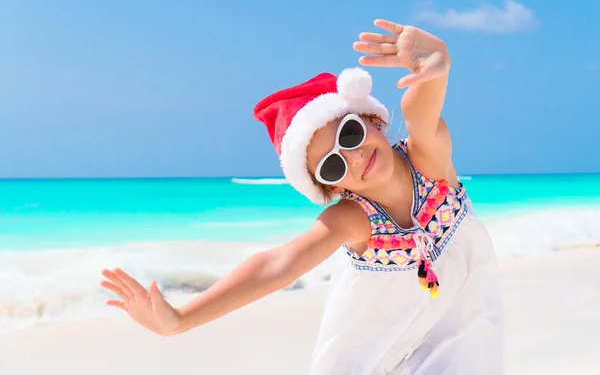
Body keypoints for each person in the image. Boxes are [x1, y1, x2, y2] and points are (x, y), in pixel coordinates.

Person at [100, 19, 503, 374]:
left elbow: (420, 116)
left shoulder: (427, 163)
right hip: (376, 354)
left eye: (350, 134)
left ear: (374, 119)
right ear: (335, 188)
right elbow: (278, 264)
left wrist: (433, 67)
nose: (353, 155)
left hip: (457, 334)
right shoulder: (354, 218)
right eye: (332, 165)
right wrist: (182, 318)